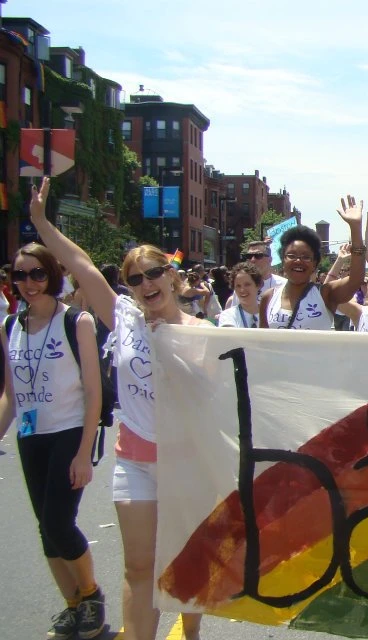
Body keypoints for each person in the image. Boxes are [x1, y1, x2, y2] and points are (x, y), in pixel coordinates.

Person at [28, 177, 207, 640]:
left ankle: (191, 634)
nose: (146, 283)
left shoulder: (201, 331)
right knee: (139, 566)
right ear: (127, 288)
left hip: (185, 461)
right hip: (134, 462)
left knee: (186, 561)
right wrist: (41, 223)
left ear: (171, 275)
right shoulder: (122, 317)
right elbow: (79, 262)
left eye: (154, 273)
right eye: (135, 278)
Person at [0, 242, 106, 640]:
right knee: (45, 528)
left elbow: (93, 392)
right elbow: (11, 395)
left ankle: (92, 595)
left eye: (37, 274)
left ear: (52, 275)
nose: (28, 283)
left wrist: (83, 452)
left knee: (59, 522)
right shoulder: (11, 325)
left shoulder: (75, 322)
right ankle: (73, 605)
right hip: (31, 436)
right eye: (20, 275)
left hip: (69, 431)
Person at [260, 197, 364, 330]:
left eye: (306, 257)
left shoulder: (326, 294)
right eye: (291, 256)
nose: (298, 261)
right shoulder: (269, 297)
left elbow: (356, 279)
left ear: (315, 264)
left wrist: (355, 228)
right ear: (283, 260)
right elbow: (262, 342)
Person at [224, 240, 288, 309]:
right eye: (249, 256)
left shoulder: (283, 285)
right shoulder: (241, 285)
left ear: (270, 260)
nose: (253, 260)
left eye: (258, 256)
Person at [217, 263, 262, 328]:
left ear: (258, 285)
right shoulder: (228, 315)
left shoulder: (270, 314)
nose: (242, 290)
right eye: (238, 286)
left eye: (247, 284)